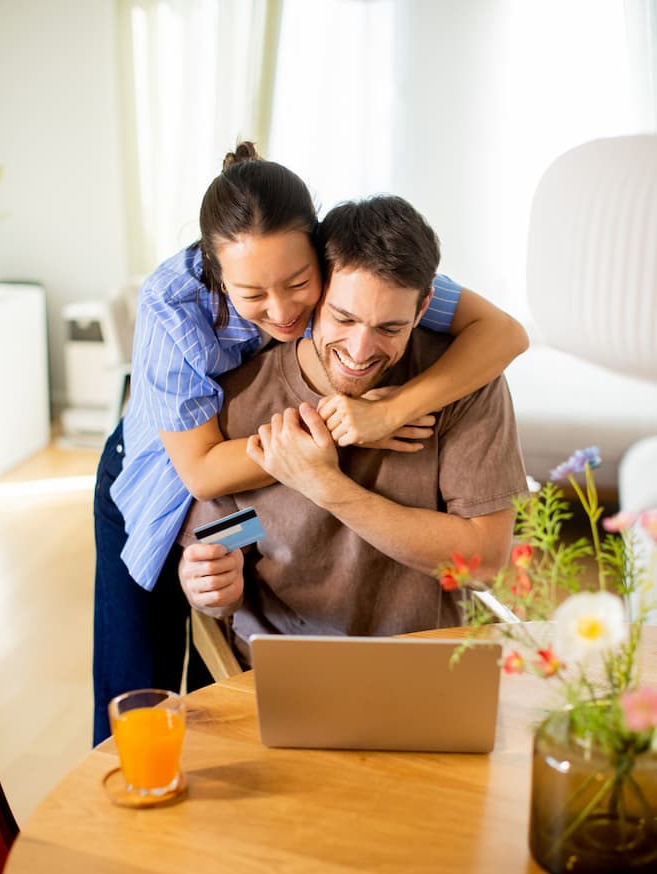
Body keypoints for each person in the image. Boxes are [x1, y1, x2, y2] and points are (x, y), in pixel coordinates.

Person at [93, 141, 527, 743]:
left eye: (298, 283)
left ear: (318, 262)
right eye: (343, 319)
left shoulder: (379, 284)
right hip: (160, 468)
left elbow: (504, 333)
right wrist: (217, 568)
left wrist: (387, 414)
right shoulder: (191, 333)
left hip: (419, 675)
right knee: (137, 692)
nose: (282, 311)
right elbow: (212, 491)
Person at [178, 195, 527, 663]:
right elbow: (236, 534)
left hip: (426, 665)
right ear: (317, 291)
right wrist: (213, 584)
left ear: (423, 308)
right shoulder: (242, 399)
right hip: (286, 666)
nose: (360, 352)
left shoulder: (464, 383)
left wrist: (326, 486)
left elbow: (483, 561)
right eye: (344, 318)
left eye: (389, 328)